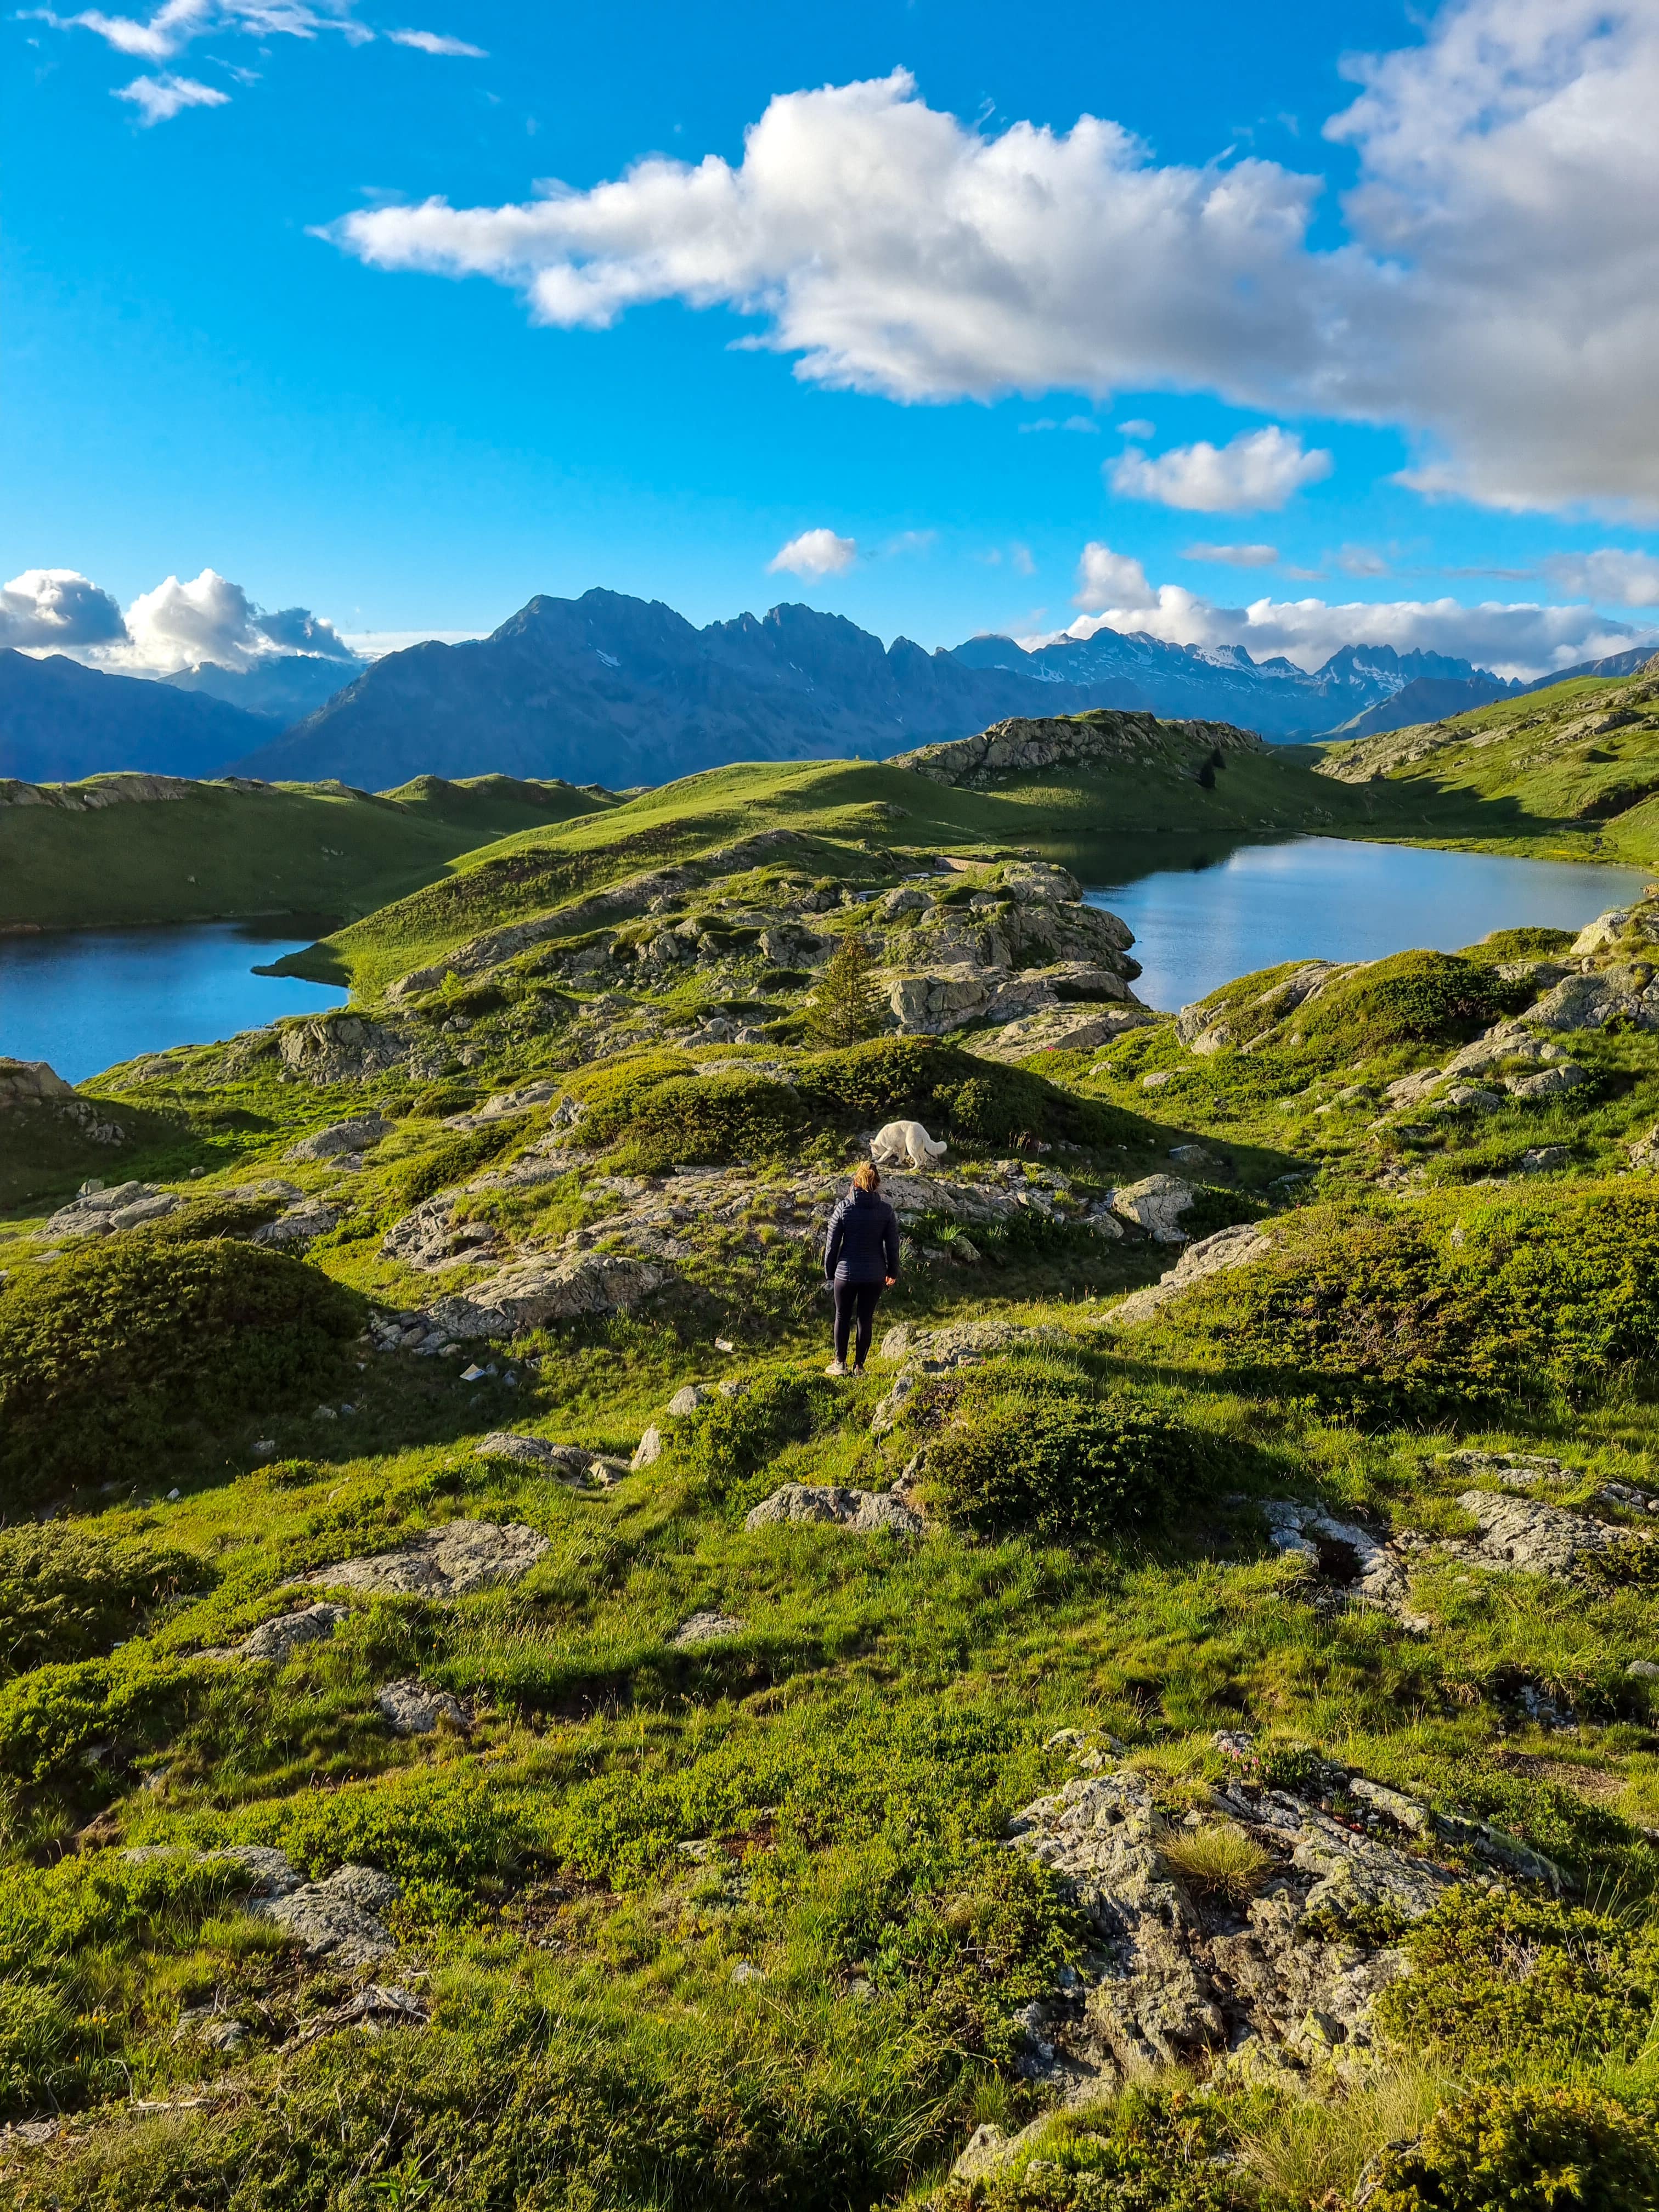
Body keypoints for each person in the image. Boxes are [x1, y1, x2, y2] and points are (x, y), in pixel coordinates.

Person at [822, 1161, 900, 1377]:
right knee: (865, 1319)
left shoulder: (844, 1208)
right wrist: (893, 1272)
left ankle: (840, 1364)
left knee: (842, 1316)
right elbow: (893, 1245)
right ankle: (859, 1367)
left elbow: (832, 1245)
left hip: (846, 1273)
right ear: (877, 1184)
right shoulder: (886, 1211)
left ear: (855, 1182)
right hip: (875, 1275)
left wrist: (829, 1272)